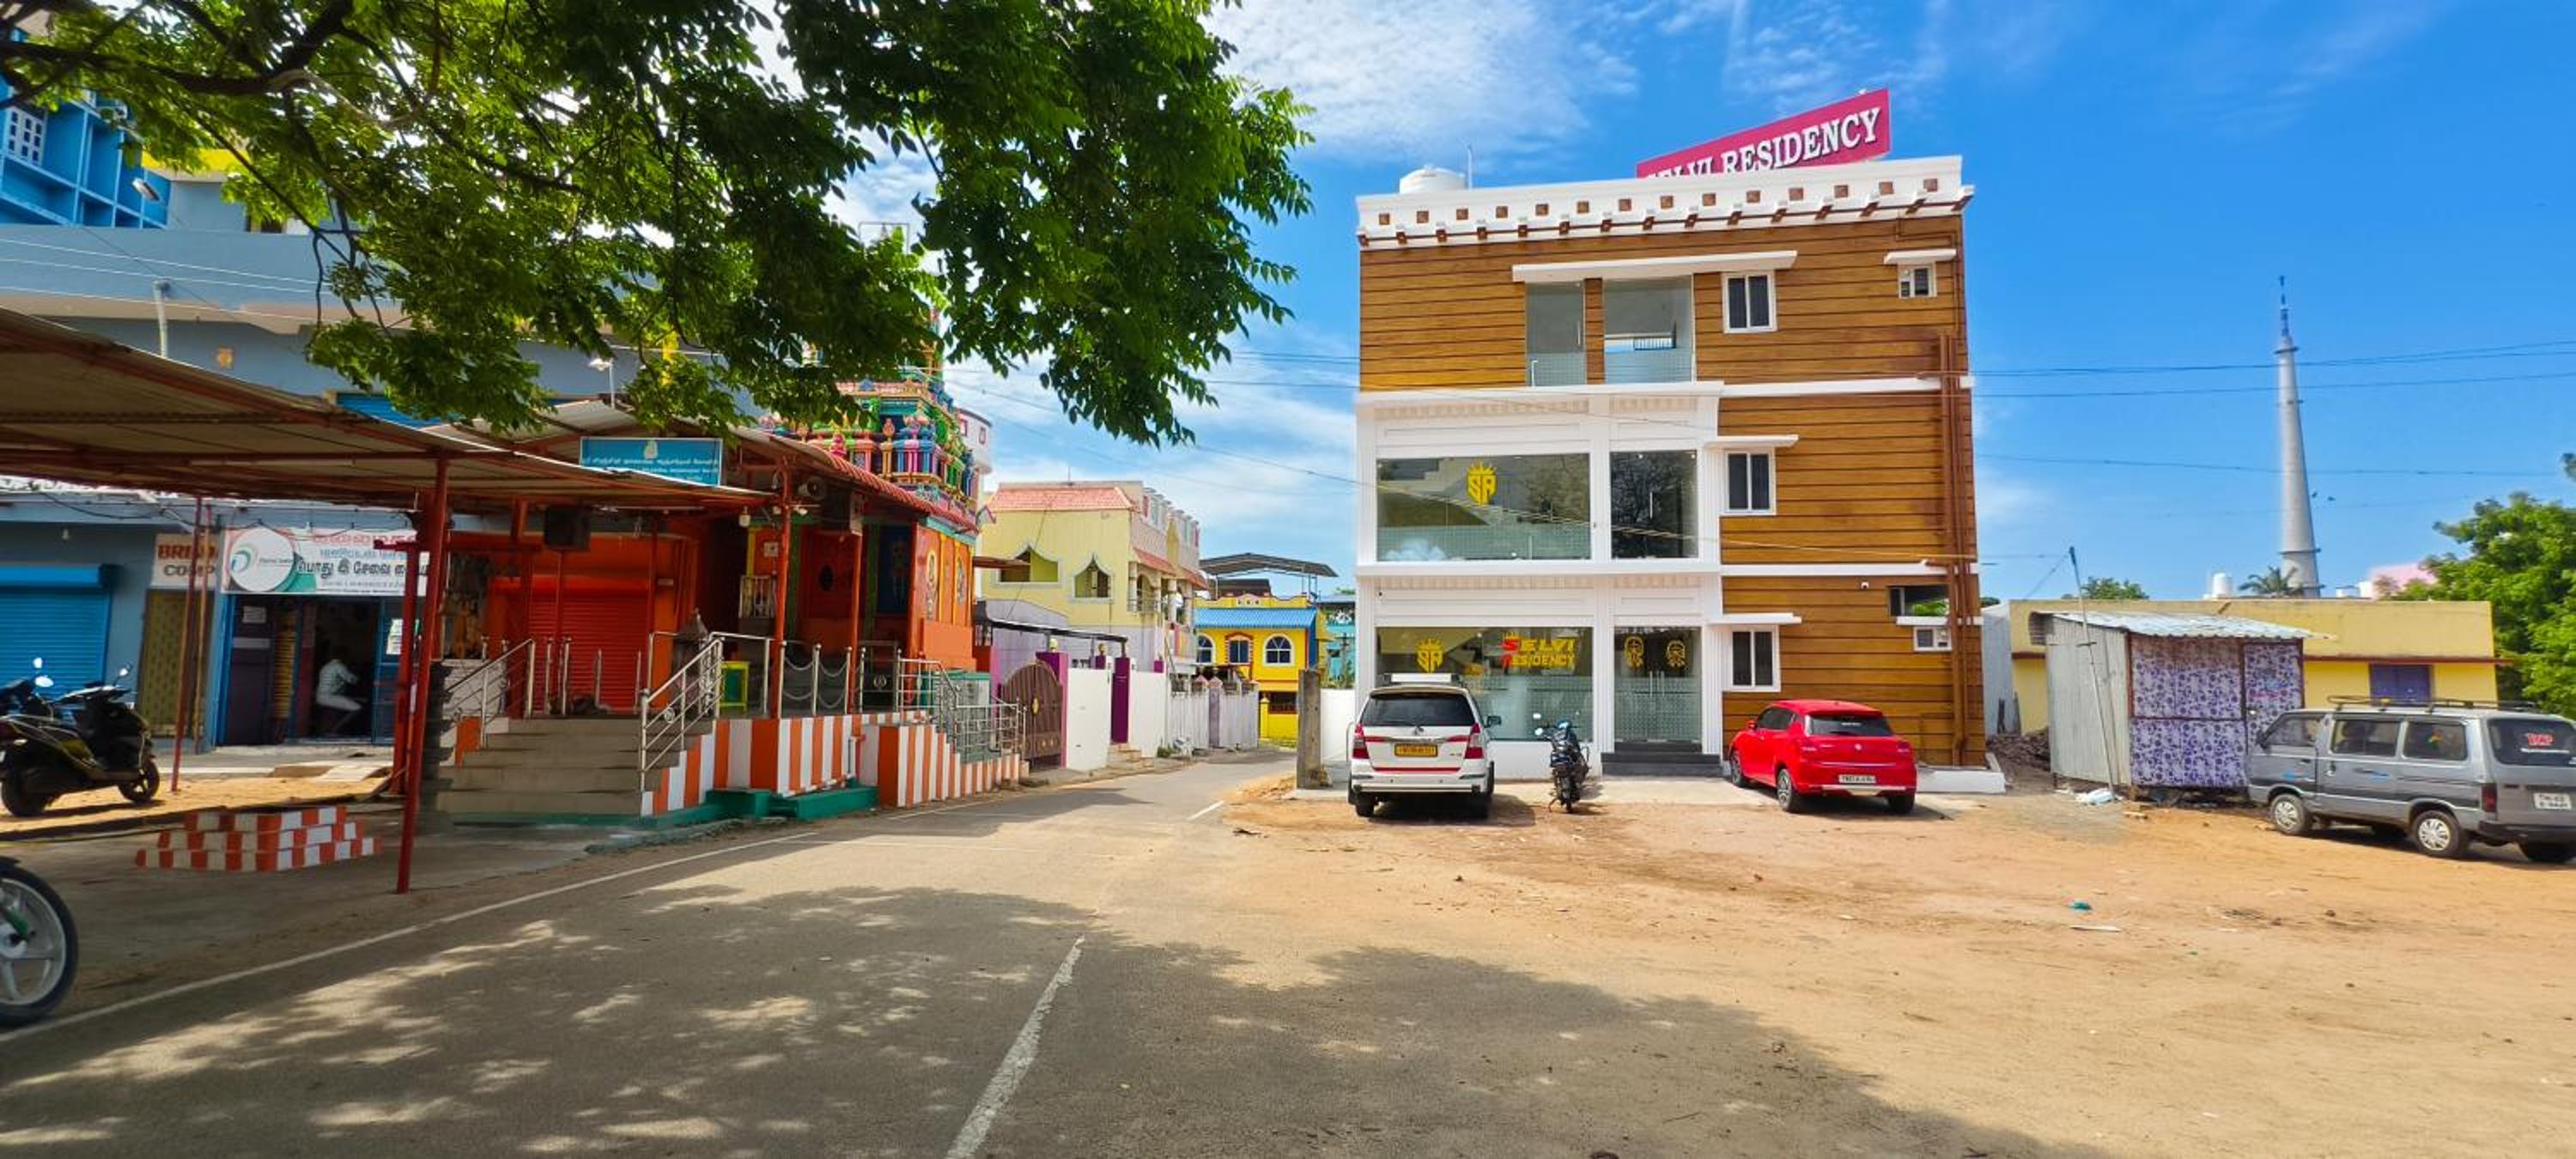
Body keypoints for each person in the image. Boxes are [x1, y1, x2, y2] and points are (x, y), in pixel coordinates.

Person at [314, 652, 364, 737]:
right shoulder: (339, 666)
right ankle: (333, 731)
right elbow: (351, 680)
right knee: (357, 708)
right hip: (328, 697)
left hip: (321, 696)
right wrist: (358, 678)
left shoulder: (326, 666)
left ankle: (329, 731)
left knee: (344, 704)